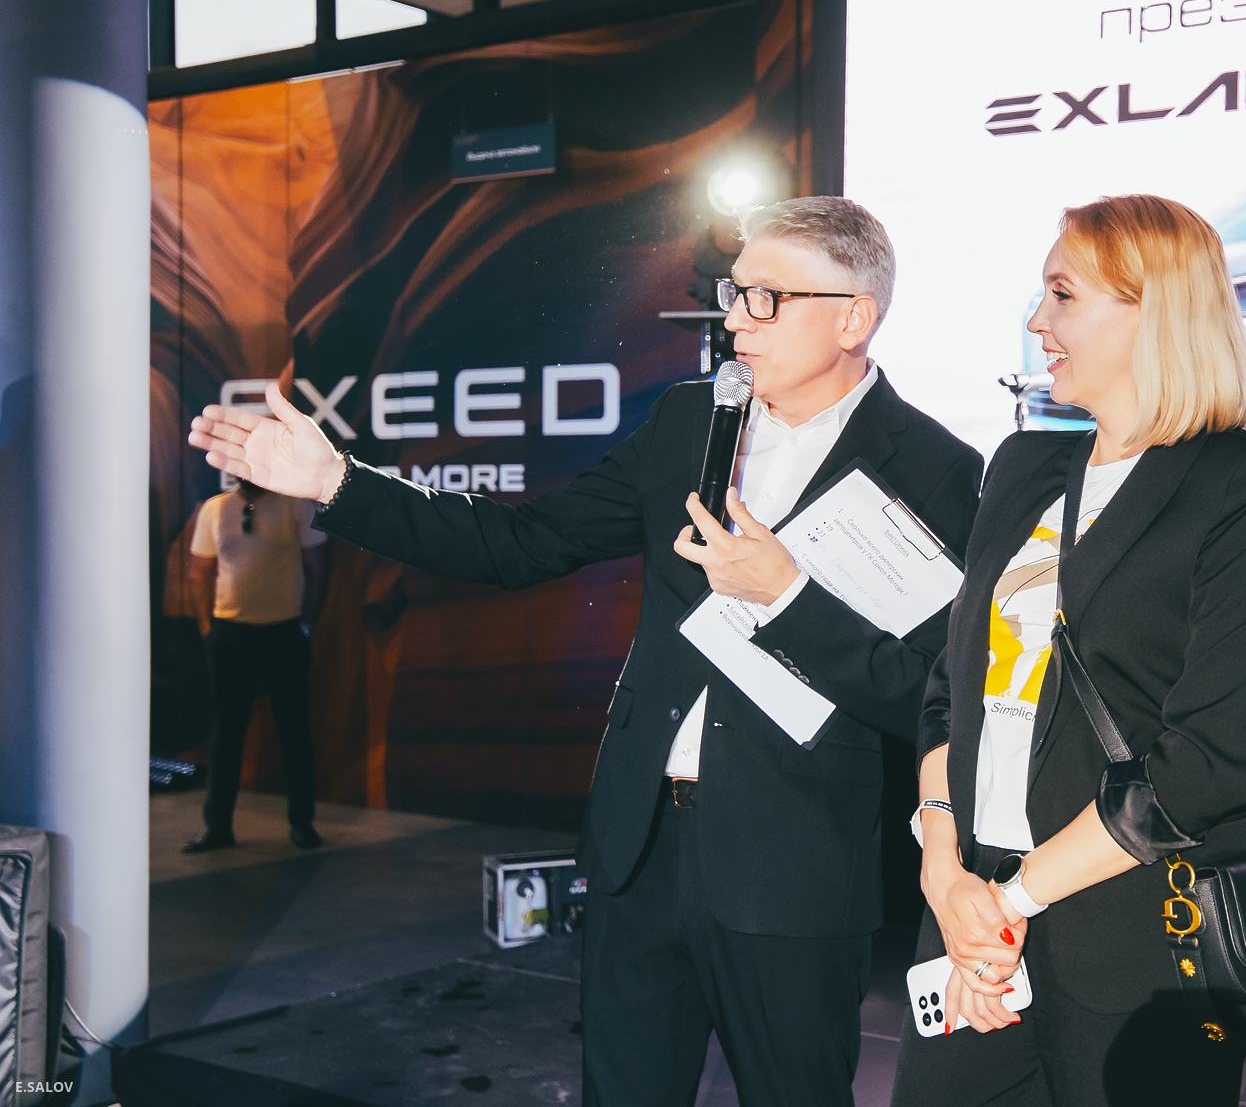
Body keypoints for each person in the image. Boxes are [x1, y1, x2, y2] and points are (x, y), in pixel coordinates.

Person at [188, 197, 984, 1107]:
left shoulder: (938, 469)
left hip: (793, 864)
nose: (735, 320)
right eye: (735, 292)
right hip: (639, 849)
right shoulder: (689, 421)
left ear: (853, 318)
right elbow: (520, 543)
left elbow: (932, 695)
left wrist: (789, 599)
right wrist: (337, 481)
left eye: (767, 298)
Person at [896, 195, 1246, 1106]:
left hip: (1135, 939)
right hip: (970, 915)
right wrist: (944, 871)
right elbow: (949, 692)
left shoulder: (1241, 485)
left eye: (1063, 295)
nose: (1038, 321)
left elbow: (1210, 762)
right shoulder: (1022, 467)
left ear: (1153, 310)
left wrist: (1010, 903)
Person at [183, 477, 328, 853]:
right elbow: (198, 572)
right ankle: (217, 827)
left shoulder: (296, 504)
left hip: (284, 632)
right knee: (226, 734)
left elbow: (317, 567)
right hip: (231, 634)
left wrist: (305, 627)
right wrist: (208, 630)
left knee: (294, 732)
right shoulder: (215, 508)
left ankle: (302, 824)